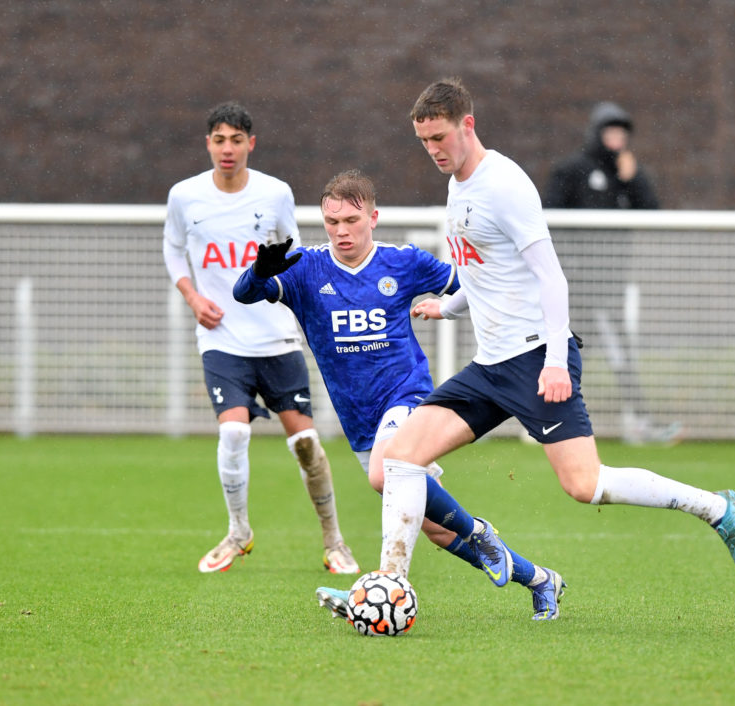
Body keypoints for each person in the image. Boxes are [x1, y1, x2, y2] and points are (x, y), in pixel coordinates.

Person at [366, 78, 735, 618]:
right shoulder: (458, 183)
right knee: (398, 460)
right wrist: (448, 306)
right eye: (424, 140)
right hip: (490, 365)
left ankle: (718, 510)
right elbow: (481, 269)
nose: (433, 150)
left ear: (468, 125)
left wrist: (555, 361)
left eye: (440, 137)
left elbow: (552, 278)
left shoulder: (504, 184)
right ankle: (390, 587)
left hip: (534, 360)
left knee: (586, 485)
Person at [233, 169, 564, 620]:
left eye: (351, 220)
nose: (341, 231)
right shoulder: (307, 268)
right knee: (438, 529)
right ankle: (541, 580)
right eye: (332, 222)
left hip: (406, 395)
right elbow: (244, 294)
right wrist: (257, 272)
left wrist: (503, 328)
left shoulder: (404, 262)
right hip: (358, 417)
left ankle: (389, 585)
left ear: (373, 217)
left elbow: (474, 287)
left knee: (383, 473)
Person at [162, 101, 359, 575]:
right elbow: (173, 251)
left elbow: (292, 257)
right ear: (207, 143)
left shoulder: (275, 194)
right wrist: (192, 297)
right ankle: (238, 532)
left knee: (307, 444)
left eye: (236, 140)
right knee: (232, 431)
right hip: (221, 341)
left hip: (276, 341)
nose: (226, 149)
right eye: (218, 139)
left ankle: (334, 542)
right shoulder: (184, 196)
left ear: (250, 143)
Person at [544, 101, 682, 445]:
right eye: (611, 131)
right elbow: (550, 223)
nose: (617, 138)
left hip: (609, 288)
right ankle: (544, 419)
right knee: (562, 351)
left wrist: (632, 180)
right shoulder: (572, 170)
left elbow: (650, 212)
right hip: (574, 287)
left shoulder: (626, 173)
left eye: (622, 132)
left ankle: (639, 422)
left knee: (616, 352)